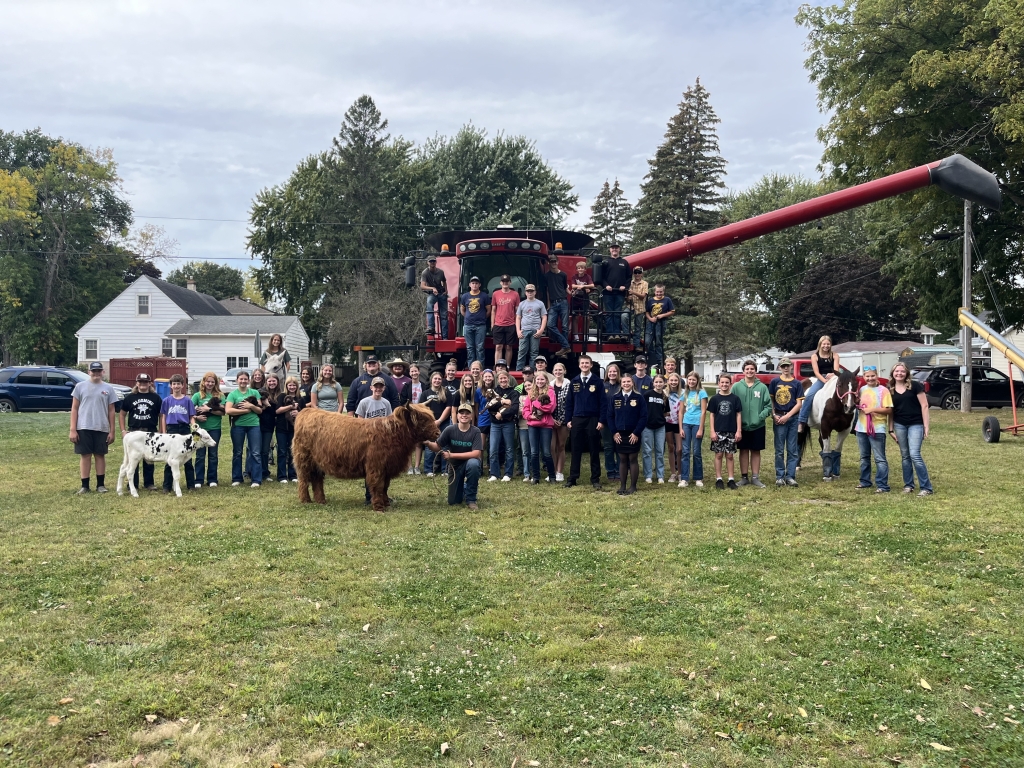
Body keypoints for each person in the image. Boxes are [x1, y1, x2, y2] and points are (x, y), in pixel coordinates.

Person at [424, 402, 483, 510]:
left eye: (467, 413)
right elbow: (437, 446)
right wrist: (428, 443)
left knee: (473, 464)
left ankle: (471, 499)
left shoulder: (475, 431)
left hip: (470, 464)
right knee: (453, 501)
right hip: (454, 467)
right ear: (457, 415)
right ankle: (464, 488)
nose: (464, 415)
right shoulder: (450, 430)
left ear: (471, 416)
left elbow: (476, 453)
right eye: (461, 413)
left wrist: (451, 455)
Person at [888, 362, 933, 496]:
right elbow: (890, 411)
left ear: (906, 373)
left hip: (916, 424)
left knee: (915, 455)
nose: (899, 374)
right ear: (893, 373)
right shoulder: (890, 388)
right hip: (899, 425)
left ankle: (926, 487)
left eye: (902, 371)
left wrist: (926, 426)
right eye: (897, 371)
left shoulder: (915, 386)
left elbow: (924, 406)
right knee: (905, 456)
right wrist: (890, 430)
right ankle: (908, 485)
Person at [565, 354, 605, 489]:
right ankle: (573, 478)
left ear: (591, 365)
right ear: (579, 365)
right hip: (577, 419)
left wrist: (601, 420)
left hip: (593, 419)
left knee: (594, 449)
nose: (584, 365)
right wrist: (568, 420)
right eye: (582, 363)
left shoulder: (597, 382)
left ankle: (595, 479)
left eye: (587, 363)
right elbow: (569, 403)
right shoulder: (574, 381)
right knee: (575, 449)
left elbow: (603, 403)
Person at [119, 372, 163, 492]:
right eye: (140, 382)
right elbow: (122, 414)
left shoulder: (156, 398)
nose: (143, 384)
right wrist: (123, 430)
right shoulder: (130, 397)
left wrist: (161, 430)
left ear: (150, 383)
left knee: (149, 458)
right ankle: (132, 483)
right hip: (134, 432)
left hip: (150, 432)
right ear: (137, 383)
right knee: (133, 458)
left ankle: (149, 483)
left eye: (145, 382)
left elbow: (161, 415)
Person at [732, 360, 771, 488]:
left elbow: (768, 406)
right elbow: (731, 403)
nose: (749, 371)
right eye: (747, 369)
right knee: (743, 450)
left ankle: (755, 477)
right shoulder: (737, 387)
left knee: (755, 451)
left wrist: (760, 417)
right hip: (741, 426)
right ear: (743, 371)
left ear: (755, 371)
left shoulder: (762, 387)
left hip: (758, 425)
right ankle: (744, 477)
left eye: (752, 369)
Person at [355, 377, 394, 505]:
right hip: (367, 439)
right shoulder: (364, 402)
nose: (378, 389)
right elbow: (359, 422)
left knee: (382, 468)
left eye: (380, 387)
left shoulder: (386, 403)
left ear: (383, 388)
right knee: (370, 468)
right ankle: (369, 496)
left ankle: (382, 494)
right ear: (371, 388)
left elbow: (389, 421)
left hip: (382, 441)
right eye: (375, 386)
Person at [855, 366, 892, 493]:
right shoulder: (861, 390)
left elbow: (889, 409)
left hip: (877, 428)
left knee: (879, 458)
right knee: (864, 456)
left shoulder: (883, 391)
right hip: (861, 428)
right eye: (867, 376)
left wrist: (872, 410)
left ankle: (882, 484)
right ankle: (865, 481)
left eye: (872, 376)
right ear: (864, 377)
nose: (870, 378)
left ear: (877, 376)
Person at [159, 373, 197, 493]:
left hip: (184, 429)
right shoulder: (166, 400)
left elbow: (191, 416)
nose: (176, 386)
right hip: (172, 429)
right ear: (170, 386)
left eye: (178, 384)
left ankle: (191, 485)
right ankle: (167, 486)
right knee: (170, 458)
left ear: (182, 385)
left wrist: (194, 428)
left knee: (187, 458)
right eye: (174, 384)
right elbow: (163, 417)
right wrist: (164, 432)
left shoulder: (187, 400)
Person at [225, 370, 263, 487]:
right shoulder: (233, 394)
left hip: (254, 426)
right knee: (237, 452)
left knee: (255, 453)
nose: (243, 381)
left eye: (245, 379)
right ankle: (237, 478)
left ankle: (256, 479)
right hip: (238, 426)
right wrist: (245, 410)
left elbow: (260, 410)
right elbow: (228, 410)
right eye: (241, 379)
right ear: (237, 381)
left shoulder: (255, 392)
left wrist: (251, 405)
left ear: (248, 380)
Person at [769, 358, 803, 487]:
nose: (785, 368)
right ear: (779, 368)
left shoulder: (796, 383)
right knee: (779, 449)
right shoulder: (774, 382)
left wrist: (788, 416)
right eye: (783, 366)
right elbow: (771, 400)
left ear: (791, 367)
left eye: (787, 366)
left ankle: (790, 476)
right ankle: (779, 476)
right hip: (778, 417)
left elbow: (799, 403)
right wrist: (773, 415)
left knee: (792, 449)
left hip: (792, 418)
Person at [610, 373, 647, 495]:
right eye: (624, 382)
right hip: (619, 434)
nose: (626, 384)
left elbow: (643, 417)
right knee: (622, 459)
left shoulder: (638, 397)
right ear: (621, 384)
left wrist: (636, 433)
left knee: (632, 458)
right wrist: (614, 432)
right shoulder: (615, 398)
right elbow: (609, 416)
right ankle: (622, 486)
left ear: (632, 383)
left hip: (633, 433)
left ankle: (633, 486)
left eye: (628, 382)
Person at [798, 335, 840, 433]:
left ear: (831, 344)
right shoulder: (815, 356)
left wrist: (833, 374)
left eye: (828, 344)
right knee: (809, 395)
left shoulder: (835, 355)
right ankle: (802, 421)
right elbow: (816, 372)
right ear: (820, 344)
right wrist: (824, 381)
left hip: (833, 378)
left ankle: (852, 421)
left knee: (846, 393)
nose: (826, 346)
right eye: (824, 344)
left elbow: (836, 370)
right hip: (821, 378)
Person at [708, 373, 742, 490]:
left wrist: (739, 430)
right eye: (722, 382)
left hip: (731, 430)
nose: (724, 384)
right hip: (718, 430)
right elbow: (712, 415)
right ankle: (719, 479)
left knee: (730, 455)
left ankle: (731, 479)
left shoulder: (735, 398)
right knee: (718, 455)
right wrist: (712, 431)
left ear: (730, 384)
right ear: (719, 383)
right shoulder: (714, 399)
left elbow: (738, 415)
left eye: (727, 382)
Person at [192, 371, 225, 488]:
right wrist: (197, 417)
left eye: (212, 382)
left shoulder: (220, 396)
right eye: (208, 381)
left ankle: (212, 479)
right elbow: (190, 412)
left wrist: (208, 410)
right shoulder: (197, 396)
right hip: (199, 430)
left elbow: (223, 412)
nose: (210, 384)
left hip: (214, 428)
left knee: (213, 454)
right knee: (199, 455)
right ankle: (198, 480)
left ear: (215, 383)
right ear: (204, 382)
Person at [523, 371, 556, 483]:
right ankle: (536, 477)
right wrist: (530, 416)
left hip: (546, 425)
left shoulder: (550, 391)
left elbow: (550, 408)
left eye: (542, 379)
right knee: (534, 452)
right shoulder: (531, 392)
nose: (540, 381)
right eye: (538, 380)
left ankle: (552, 476)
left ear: (546, 380)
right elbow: (525, 409)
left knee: (546, 452)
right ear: (534, 381)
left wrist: (536, 404)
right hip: (533, 425)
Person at [487, 370, 519, 482]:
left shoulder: (514, 392)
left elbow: (514, 408)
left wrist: (502, 414)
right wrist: (503, 402)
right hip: (495, 424)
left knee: (509, 449)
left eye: (505, 378)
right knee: (493, 449)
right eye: (500, 378)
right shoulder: (494, 391)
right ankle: (494, 474)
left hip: (508, 423)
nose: (503, 380)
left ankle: (508, 474)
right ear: (497, 380)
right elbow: (490, 406)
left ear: (508, 378)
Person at [419, 372, 453, 477]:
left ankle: (445, 470)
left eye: (439, 379)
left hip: (444, 422)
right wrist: (431, 422)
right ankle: (428, 469)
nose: (437, 381)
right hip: (429, 424)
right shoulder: (425, 393)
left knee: (444, 445)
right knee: (429, 445)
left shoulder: (446, 392)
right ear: (431, 380)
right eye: (435, 379)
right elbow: (421, 409)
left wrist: (439, 421)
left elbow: (449, 407)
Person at [678, 371, 708, 488]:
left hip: (696, 425)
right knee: (685, 452)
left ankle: (698, 478)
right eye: (689, 380)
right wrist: (680, 428)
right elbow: (681, 412)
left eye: (693, 380)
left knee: (696, 452)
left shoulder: (702, 393)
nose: (691, 382)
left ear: (697, 381)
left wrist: (701, 428)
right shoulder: (684, 393)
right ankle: (684, 478)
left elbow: (704, 411)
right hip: (686, 424)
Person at [274, 376, 303, 482]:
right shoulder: (282, 396)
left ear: (297, 386)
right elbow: (277, 411)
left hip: (295, 429)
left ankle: (293, 474)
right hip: (281, 428)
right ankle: (281, 475)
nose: (292, 387)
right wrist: (291, 407)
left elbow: (305, 414)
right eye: (290, 385)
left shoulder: (300, 398)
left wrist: (298, 413)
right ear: (286, 386)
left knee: (293, 451)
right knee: (281, 451)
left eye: (294, 385)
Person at [642, 374, 670, 483]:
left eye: (660, 382)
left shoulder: (664, 397)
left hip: (660, 427)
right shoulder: (647, 394)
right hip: (647, 426)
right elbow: (642, 409)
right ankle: (648, 475)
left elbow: (666, 412)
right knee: (647, 451)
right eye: (656, 382)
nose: (658, 384)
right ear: (653, 383)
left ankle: (660, 475)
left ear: (664, 383)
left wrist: (658, 417)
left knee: (660, 451)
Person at [544, 253, 571, 355]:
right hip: (553, 304)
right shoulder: (546, 276)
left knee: (564, 327)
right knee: (550, 325)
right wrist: (548, 304)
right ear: (549, 263)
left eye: (555, 261)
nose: (554, 263)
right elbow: (546, 290)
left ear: (558, 262)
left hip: (563, 301)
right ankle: (566, 345)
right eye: (552, 262)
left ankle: (564, 349)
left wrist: (571, 293)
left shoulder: (563, 275)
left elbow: (565, 288)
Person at [491, 274, 520, 369]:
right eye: (503, 281)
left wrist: (517, 325)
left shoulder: (515, 294)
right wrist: (492, 324)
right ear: (500, 283)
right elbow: (493, 310)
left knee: (509, 347)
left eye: (507, 281)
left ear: (510, 282)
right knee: (498, 347)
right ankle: (497, 367)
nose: (505, 283)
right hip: (498, 324)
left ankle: (507, 367)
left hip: (511, 324)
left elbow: (517, 311)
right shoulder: (495, 294)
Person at [602, 243, 631, 337]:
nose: (614, 249)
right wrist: (606, 285)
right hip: (608, 293)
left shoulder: (624, 262)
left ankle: (617, 333)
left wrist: (625, 287)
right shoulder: (605, 262)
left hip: (620, 293)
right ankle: (610, 334)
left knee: (617, 313)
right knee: (609, 314)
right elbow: (600, 277)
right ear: (610, 250)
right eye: (613, 248)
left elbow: (629, 277)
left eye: (616, 248)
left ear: (619, 250)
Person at [461, 276, 491, 366]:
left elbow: (489, 310)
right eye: (473, 283)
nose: (474, 285)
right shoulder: (465, 296)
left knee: (480, 347)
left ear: (479, 285)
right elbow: (462, 309)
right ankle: (471, 368)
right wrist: (467, 317)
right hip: (468, 325)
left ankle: (480, 367)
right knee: (470, 347)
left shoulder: (484, 296)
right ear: (470, 285)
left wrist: (483, 318)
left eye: (476, 283)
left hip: (480, 325)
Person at [644, 284, 676, 369]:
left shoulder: (667, 300)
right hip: (651, 323)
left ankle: (659, 361)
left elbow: (672, 311)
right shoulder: (651, 301)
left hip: (661, 323)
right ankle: (652, 358)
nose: (659, 293)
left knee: (658, 341)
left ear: (663, 291)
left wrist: (662, 315)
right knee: (648, 341)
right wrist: (650, 319)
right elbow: (647, 312)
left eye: (660, 292)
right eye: (657, 292)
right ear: (655, 292)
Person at [516, 284, 547, 370]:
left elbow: (544, 317)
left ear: (535, 292)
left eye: (531, 291)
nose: (530, 293)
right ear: (525, 292)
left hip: (535, 331)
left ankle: (532, 372)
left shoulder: (540, 303)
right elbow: (518, 318)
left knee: (534, 353)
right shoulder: (521, 304)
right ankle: (518, 372)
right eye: (528, 291)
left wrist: (541, 330)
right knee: (521, 352)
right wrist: (518, 331)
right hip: (524, 331)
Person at [257, 374, 282, 482]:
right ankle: (254, 472)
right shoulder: (259, 392)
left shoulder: (280, 395)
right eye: (270, 381)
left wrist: (267, 405)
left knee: (265, 450)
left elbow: (275, 413)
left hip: (269, 425)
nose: (272, 383)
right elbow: (258, 410)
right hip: (257, 424)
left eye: (274, 381)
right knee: (255, 450)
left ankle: (265, 473)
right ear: (266, 382)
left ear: (277, 382)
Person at [401, 365, 425, 474]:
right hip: (409, 417)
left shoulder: (424, 386)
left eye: (416, 371)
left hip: (420, 417)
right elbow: (402, 401)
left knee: (419, 442)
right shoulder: (406, 386)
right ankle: (409, 467)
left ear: (419, 372)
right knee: (409, 442)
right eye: (412, 371)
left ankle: (417, 467)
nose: (414, 373)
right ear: (409, 373)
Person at [601, 362, 623, 481]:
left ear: (618, 373)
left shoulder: (622, 386)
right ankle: (610, 470)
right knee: (608, 446)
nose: (612, 373)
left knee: (619, 446)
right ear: (607, 373)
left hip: (619, 421)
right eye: (610, 371)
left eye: (614, 371)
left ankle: (620, 470)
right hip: (605, 422)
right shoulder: (602, 386)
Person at [550, 362, 571, 482]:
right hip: (550, 420)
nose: (558, 372)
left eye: (560, 370)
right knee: (551, 447)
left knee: (561, 446)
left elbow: (569, 404)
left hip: (564, 420)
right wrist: (552, 420)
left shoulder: (569, 385)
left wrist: (562, 420)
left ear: (564, 371)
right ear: (553, 372)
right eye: (556, 370)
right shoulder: (550, 385)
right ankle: (552, 472)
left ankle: (559, 472)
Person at [420, 253, 449, 338]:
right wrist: (432, 288)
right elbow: (422, 286)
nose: (432, 263)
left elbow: (444, 281)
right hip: (432, 294)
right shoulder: (425, 273)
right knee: (429, 302)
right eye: (430, 261)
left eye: (434, 261)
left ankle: (445, 337)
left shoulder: (441, 272)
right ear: (427, 263)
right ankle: (431, 327)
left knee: (444, 315)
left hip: (441, 293)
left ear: (436, 262)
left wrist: (446, 290)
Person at [514, 366, 535, 479]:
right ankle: (526, 474)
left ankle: (534, 472)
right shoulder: (520, 397)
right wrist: (530, 412)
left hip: (535, 425)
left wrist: (526, 411)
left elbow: (540, 409)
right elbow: (519, 411)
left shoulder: (537, 397)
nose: (527, 387)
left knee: (534, 450)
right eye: (525, 386)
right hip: (522, 425)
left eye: (529, 385)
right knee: (524, 450)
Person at [570, 261, 595, 341]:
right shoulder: (574, 277)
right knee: (575, 317)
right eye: (579, 268)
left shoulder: (587, 277)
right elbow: (573, 286)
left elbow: (592, 285)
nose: (580, 269)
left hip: (585, 299)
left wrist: (583, 286)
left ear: (585, 269)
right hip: (575, 299)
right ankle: (576, 336)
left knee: (587, 317)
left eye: (582, 268)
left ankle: (585, 335)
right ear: (577, 269)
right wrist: (584, 287)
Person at [665, 372, 682, 483]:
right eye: (671, 380)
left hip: (679, 423)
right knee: (671, 448)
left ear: (679, 381)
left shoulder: (683, 393)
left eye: (676, 380)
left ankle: (680, 473)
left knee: (679, 449)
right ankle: (672, 473)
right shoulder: (664, 393)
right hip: (668, 423)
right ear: (668, 381)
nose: (673, 382)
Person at [626, 266, 649, 348]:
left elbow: (643, 296)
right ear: (633, 274)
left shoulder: (645, 284)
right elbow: (627, 296)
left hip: (640, 307)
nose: (637, 274)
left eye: (639, 272)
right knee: (624, 316)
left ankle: (636, 345)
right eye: (635, 272)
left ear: (642, 274)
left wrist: (633, 292)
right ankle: (626, 336)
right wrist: (628, 298)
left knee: (638, 327)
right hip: (630, 306)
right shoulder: (630, 283)